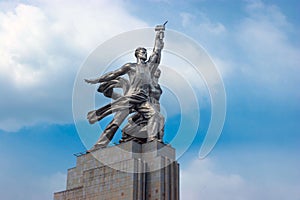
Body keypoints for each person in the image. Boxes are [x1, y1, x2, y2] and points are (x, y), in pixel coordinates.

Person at [85, 23, 166, 151]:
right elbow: (114, 73)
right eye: (142, 52)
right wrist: (97, 80)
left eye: (145, 52)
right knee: (115, 124)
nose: (144, 54)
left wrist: (159, 34)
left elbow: (157, 51)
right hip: (129, 99)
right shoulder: (131, 66)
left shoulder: (149, 67)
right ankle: (98, 146)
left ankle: (151, 139)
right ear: (137, 54)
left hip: (142, 100)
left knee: (155, 115)